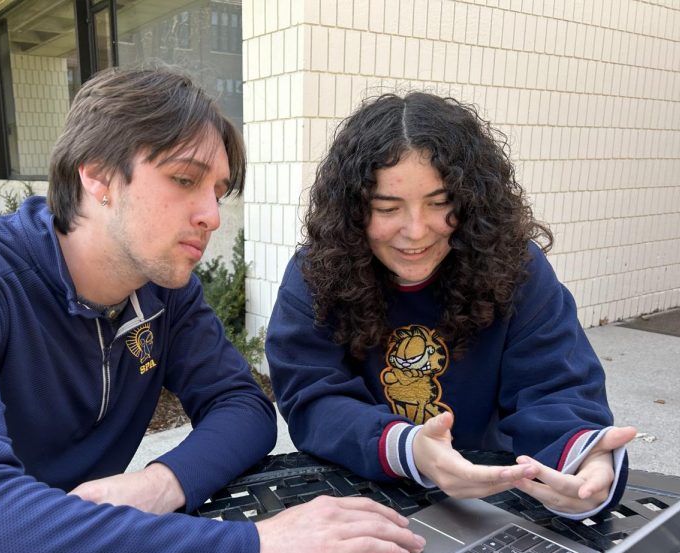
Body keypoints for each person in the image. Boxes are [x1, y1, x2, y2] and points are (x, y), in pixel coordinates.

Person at [0, 67, 425, 553]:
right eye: (183, 179)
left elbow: (244, 406)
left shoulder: (162, 288)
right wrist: (251, 551)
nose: (211, 215)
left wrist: (160, 484)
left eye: (218, 190)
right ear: (95, 175)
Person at [266, 92, 636, 520]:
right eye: (387, 207)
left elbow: (554, 384)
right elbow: (313, 397)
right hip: (356, 497)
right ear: (352, 211)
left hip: (491, 493)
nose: (416, 231)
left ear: (470, 201)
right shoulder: (316, 272)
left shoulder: (517, 268)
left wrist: (585, 461)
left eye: (440, 204)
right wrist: (409, 448)